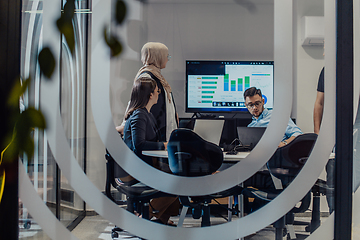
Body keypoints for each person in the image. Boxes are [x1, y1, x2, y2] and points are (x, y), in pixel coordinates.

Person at [122, 77, 180, 226]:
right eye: (157, 91)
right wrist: (164, 145)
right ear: (150, 95)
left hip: (144, 166)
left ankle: (161, 220)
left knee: (178, 175)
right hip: (136, 171)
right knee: (179, 180)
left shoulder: (146, 114)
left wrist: (163, 145)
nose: (158, 94)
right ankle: (146, 217)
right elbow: (139, 145)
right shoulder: (139, 115)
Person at [117, 42, 178, 142]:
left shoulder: (157, 75)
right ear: (157, 57)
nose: (167, 59)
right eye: (166, 56)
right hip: (152, 135)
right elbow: (137, 102)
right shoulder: (146, 77)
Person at [313, 67, 334, 214]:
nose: (324, 52)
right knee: (333, 175)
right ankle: (335, 216)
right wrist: (317, 133)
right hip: (333, 130)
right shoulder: (328, 70)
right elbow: (319, 103)